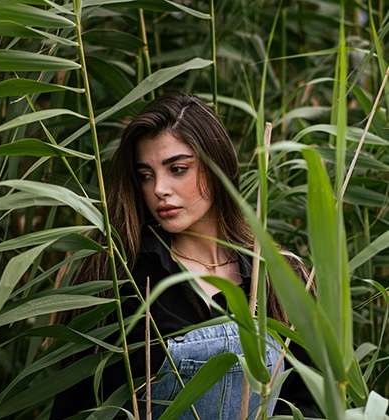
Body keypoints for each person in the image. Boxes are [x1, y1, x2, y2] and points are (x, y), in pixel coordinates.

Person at [50, 93, 318, 419]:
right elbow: (76, 408)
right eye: (146, 175)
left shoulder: (281, 277)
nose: (159, 189)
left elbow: (312, 404)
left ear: (216, 166)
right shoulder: (118, 276)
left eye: (177, 169)